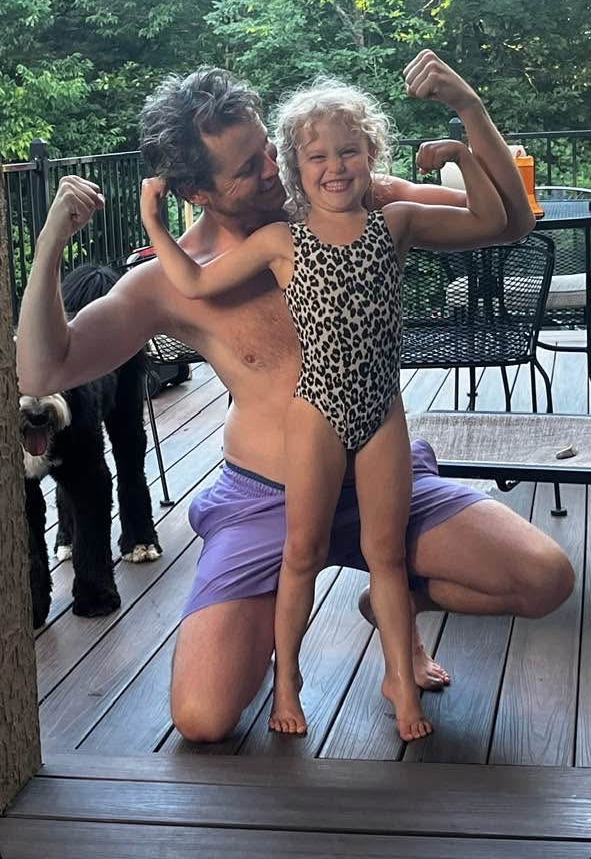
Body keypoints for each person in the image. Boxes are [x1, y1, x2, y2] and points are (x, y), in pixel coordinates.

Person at [16, 51, 575, 744]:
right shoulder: (168, 281)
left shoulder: (350, 199)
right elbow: (42, 368)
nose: (272, 169)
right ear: (197, 192)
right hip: (265, 499)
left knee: (543, 579)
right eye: (247, 167)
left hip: (376, 471)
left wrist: (469, 108)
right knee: (202, 718)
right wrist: (49, 244)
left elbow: (507, 222)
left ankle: (391, 602)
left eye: (267, 149)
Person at [139, 79, 507, 741]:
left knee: (386, 556)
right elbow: (192, 281)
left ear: (371, 153)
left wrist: (461, 149)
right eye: (317, 157)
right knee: (300, 553)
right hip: (316, 412)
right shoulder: (281, 240)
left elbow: (494, 221)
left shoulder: (394, 219)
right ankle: (289, 680)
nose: (335, 167)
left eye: (348, 152)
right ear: (293, 165)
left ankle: (402, 687)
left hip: (380, 411)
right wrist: (153, 224)